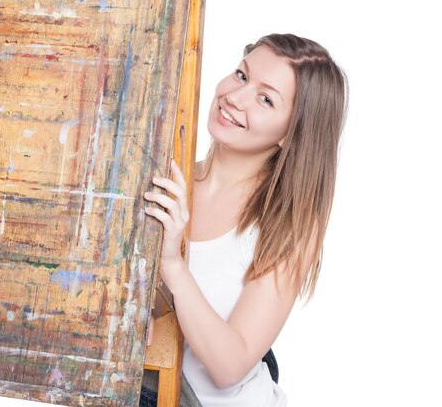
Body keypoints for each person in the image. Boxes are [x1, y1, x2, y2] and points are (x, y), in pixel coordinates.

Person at [139, 33, 348, 407]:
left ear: (291, 133)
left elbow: (229, 365)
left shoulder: (288, 223)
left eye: (266, 99)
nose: (234, 98)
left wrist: (172, 264)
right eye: (241, 75)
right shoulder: (165, 184)